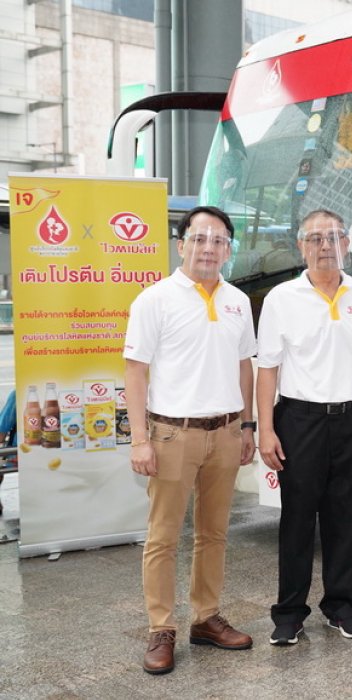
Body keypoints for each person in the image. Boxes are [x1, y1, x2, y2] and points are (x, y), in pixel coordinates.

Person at [124, 205, 257, 675]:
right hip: (170, 434)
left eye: (219, 240)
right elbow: (135, 373)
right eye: (200, 238)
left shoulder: (238, 300)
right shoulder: (154, 300)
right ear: (182, 245)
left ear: (228, 249)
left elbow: (245, 366)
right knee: (163, 536)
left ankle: (206, 617)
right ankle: (161, 628)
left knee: (214, 533)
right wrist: (140, 439)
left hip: (224, 432)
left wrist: (248, 426)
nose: (209, 248)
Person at [257, 209, 352, 646]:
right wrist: (266, 430)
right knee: (296, 520)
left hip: (349, 417)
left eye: (333, 237)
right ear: (301, 247)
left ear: (347, 243)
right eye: (315, 238)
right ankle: (289, 612)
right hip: (299, 419)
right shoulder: (281, 298)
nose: (325, 245)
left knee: (345, 517)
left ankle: (341, 606)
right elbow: (267, 369)